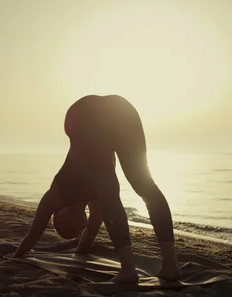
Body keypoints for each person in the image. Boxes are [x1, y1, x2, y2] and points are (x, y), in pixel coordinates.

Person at [12, 94, 182, 283]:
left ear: (60, 213)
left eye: (67, 231)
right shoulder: (96, 208)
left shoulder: (57, 194)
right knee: (138, 186)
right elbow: (86, 241)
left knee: (134, 186)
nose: (73, 233)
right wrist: (77, 254)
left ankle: (131, 270)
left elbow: (33, 234)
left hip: (83, 115)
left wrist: (14, 257)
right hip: (121, 109)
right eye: (73, 235)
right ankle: (170, 267)